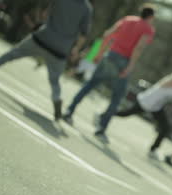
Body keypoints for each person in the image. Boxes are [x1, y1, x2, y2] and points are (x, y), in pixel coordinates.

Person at [0, 0, 93, 120]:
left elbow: (45, 14)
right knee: (54, 80)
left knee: (13, 53)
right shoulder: (87, 8)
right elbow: (83, 35)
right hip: (61, 49)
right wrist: (75, 50)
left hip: (42, 38)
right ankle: (56, 99)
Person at [63, 4, 156, 142]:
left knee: (90, 84)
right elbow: (139, 48)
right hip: (124, 61)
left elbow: (108, 34)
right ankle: (101, 127)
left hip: (110, 55)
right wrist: (130, 66)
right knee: (117, 97)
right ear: (151, 17)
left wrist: (100, 53)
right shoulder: (148, 29)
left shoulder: (127, 19)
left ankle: (69, 111)